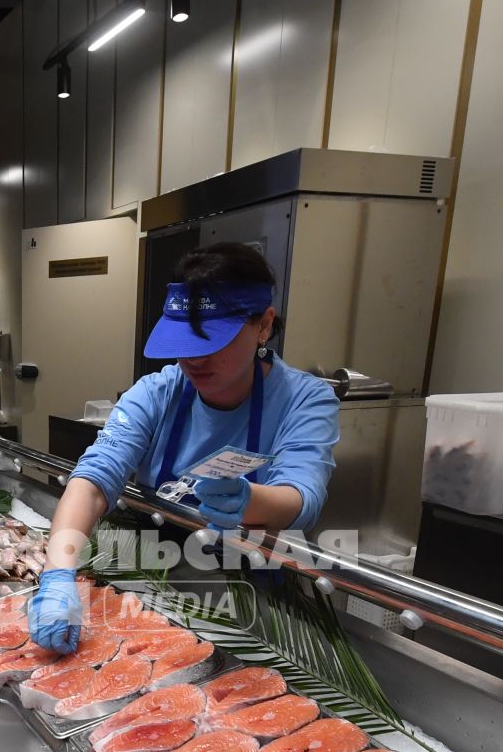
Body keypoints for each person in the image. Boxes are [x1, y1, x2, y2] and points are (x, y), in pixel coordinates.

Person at [27, 243, 341, 653]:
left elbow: (303, 495)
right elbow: (92, 481)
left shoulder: (305, 399)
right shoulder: (158, 392)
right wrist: (58, 575)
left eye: (212, 342)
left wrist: (249, 501)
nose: (193, 360)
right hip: (155, 585)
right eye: (184, 343)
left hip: (254, 601)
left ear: (263, 325)